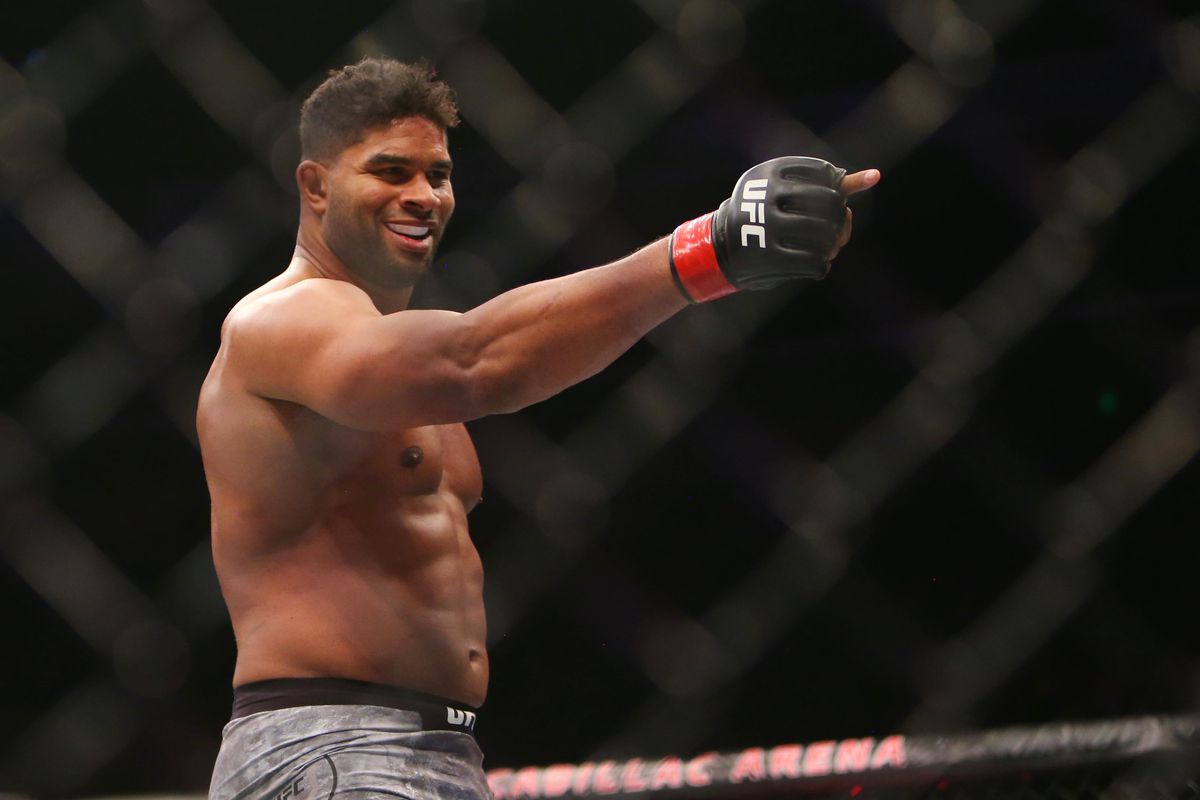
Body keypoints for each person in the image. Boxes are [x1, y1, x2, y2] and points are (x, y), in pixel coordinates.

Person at [199, 57, 879, 799]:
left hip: (426, 746)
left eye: (438, 174)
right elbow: (478, 362)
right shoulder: (283, 320)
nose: (423, 196)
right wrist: (707, 249)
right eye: (390, 171)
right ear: (316, 185)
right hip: (334, 745)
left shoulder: (386, 351)